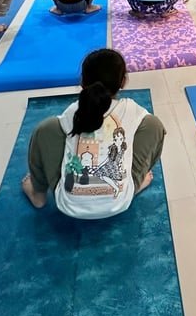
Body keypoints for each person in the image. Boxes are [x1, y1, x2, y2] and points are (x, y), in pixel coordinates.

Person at [22, 48, 165, 219]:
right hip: (120, 202)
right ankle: (134, 184)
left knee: (45, 129)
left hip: (68, 204)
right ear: (123, 81)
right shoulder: (130, 109)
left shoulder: (73, 112)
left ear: (82, 82)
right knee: (155, 126)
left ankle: (38, 194)